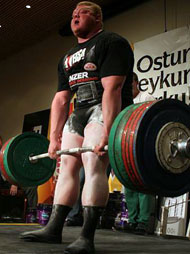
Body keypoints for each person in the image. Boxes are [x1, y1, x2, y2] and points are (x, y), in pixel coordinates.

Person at [20, 2, 134, 254]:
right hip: (79, 112)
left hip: (104, 108)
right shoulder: (67, 57)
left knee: (93, 163)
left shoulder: (111, 42)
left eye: (81, 12)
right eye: (73, 13)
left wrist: (109, 130)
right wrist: (53, 138)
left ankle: (86, 237)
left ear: (97, 18)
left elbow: (112, 89)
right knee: (67, 167)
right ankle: (53, 229)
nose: (74, 15)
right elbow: (61, 99)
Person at [124, 72, 156, 235]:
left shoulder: (146, 98)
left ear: (137, 83)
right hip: (127, 149)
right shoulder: (125, 102)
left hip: (143, 148)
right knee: (129, 185)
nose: (128, 88)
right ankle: (132, 221)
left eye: (130, 84)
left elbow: (153, 123)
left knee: (143, 185)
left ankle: (143, 223)